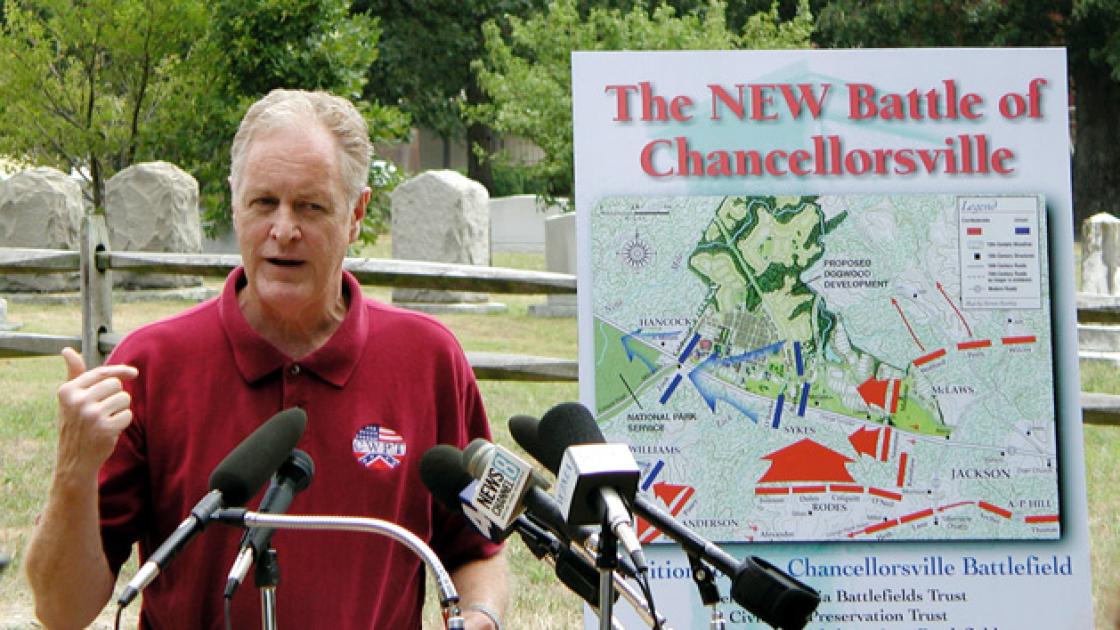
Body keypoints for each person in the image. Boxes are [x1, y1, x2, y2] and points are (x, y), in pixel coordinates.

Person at [24, 89, 508, 629]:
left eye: (311, 206)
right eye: (263, 203)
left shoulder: (429, 360)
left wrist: (481, 616)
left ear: (356, 214)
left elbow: (476, 550)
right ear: (235, 202)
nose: (283, 230)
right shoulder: (152, 364)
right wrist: (74, 466)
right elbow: (61, 612)